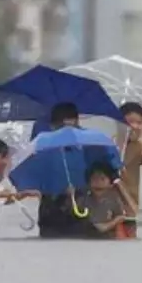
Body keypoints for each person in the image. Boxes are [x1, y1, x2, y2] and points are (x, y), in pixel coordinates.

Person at [37, 102, 86, 239]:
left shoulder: (88, 148)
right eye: (62, 128)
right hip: (51, 213)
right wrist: (59, 191)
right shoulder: (43, 150)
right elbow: (38, 180)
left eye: (72, 127)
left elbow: (97, 178)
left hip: (80, 210)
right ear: (52, 127)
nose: (68, 133)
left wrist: (79, 189)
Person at [118, 101, 142, 238]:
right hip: (112, 206)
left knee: (130, 238)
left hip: (131, 205)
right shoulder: (111, 145)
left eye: (140, 123)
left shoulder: (141, 145)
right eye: (130, 122)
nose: (135, 127)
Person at [76, 161, 136, 239]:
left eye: (102, 179)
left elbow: (133, 214)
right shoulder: (84, 200)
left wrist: (121, 186)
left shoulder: (114, 200)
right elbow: (99, 228)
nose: (98, 182)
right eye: (94, 179)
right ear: (89, 183)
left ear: (110, 184)